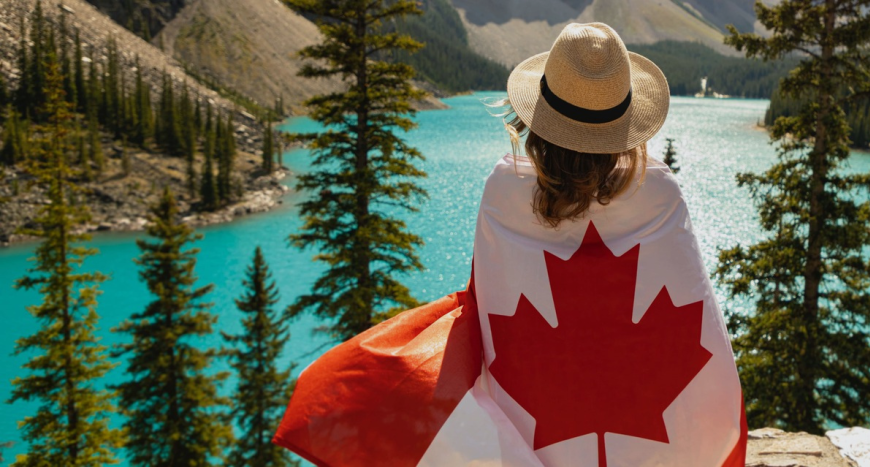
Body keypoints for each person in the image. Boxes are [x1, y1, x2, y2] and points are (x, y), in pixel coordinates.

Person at [274, 23, 745, 467]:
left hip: (533, 438)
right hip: (660, 447)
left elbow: (485, 302)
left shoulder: (504, 189)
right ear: (627, 125)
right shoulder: (660, 190)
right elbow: (698, 314)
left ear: (536, 121)